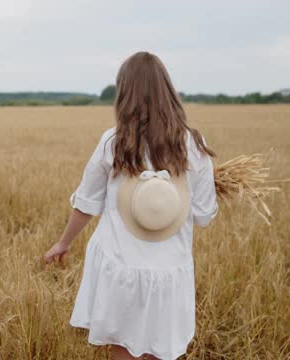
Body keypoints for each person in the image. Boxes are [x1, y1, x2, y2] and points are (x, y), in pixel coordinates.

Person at [44, 51, 218, 360]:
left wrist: (63, 243)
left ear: (125, 94)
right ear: (168, 92)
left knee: (121, 350)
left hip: (119, 268)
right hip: (169, 274)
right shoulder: (194, 145)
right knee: (162, 350)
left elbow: (87, 203)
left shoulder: (113, 142)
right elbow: (204, 217)